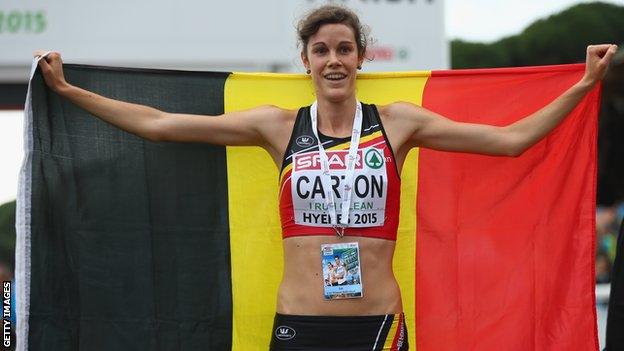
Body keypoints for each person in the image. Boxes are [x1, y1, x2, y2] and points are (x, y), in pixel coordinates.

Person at [35, 5, 616, 351]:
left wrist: (585, 83)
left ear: (362, 57)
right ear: (306, 61)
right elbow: (162, 125)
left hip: (378, 327)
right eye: (321, 50)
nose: (333, 59)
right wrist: (67, 91)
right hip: (298, 325)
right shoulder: (276, 127)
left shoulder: (399, 123)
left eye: (344, 48)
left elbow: (510, 142)